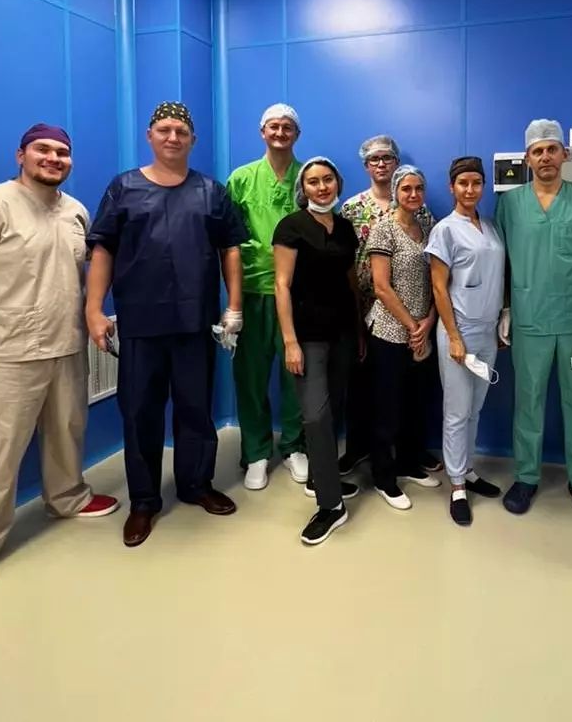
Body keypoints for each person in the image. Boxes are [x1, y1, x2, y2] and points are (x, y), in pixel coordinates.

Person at [0, 124, 118, 600]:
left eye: (63, 152)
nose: (54, 158)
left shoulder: (75, 212)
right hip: (2, 353)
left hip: (65, 344)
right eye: (43, 149)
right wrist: (0, 316)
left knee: (66, 433)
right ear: (21, 155)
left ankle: (68, 497)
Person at [86, 103, 245, 547]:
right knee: (140, 413)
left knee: (195, 408)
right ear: (150, 136)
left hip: (194, 321)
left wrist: (234, 306)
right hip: (141, 322)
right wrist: (94, 309)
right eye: (164, 129)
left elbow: (231, 248)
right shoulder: (124, 188)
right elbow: (103, 249)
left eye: (181, 131)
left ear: (193, 140)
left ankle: (196, 484)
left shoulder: (210, 192)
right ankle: (143, 501)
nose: (173, 137)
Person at [495, 119, 572, 522]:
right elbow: (501, 262)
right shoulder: (510, 204)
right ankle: (526, 477)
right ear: (527, 159)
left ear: (564, 154)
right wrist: (505, 309)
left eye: (551, 149)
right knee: (527, 402)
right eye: (537, 151)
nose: (545, 157)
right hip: (528, 321)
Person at [273, 157, 364, 545]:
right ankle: (331, 506)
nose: (322, 187)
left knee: (335, 407)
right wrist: (290, 341)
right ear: (303, 188)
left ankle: (319, 477)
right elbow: (281, 285)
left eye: (328, 180)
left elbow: (350, 281)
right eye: (313, 181)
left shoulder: (344, 228)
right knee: (315, 415)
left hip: (342, 332)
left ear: (337, 183)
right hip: (307, 336)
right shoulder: (291, 227)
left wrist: (358, 330)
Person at [340, 135, 440, 475]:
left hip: (413, 309)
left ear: (397, 163)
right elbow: (345, 259)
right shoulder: (352, 209)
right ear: (366, 165)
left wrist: (423, 318)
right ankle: (360, 449)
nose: (381, 164)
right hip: (368, 306)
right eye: (374, 159)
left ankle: (410, 452)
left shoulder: (421, 213)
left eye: (387, 158)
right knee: (364, 387)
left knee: (409, 389)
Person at [227, 104, 308, 490]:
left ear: (297, 134)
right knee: (251, 376)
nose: (280, 132)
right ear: (262, 132)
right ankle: (256, 451)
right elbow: (228, 242)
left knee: (297, 374)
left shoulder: (307, 177)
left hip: (297, 292)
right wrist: (232, 304)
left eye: (287, 127)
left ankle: (294, 445)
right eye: (273, 126)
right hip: (253, 290)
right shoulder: (241, 179)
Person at [426, 157, 505, 526]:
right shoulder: (445, 230)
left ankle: (468, 469)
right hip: (458, 332)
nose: (470, 189)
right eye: (463, 183)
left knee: (475, 408)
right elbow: (439, 288)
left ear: (483, 186)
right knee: (457, 411)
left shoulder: (490, 227)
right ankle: (457, 485)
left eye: (476, 183)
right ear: (452, 187)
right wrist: (454, 337)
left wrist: (502, 317)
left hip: (488, 330)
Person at [367, 165, 442, 509]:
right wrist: (413, 326)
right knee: (387, 408)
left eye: (419, 188)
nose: (413, 194)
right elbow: (381, 287)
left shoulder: (427, 227)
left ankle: (409, 463)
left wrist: (428, 321)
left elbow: (437, 280)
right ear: (396, 191)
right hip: (390, 332)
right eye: (406, 188)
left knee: (416, 403)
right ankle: (384, 478)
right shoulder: (384, 230)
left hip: (422, 330)